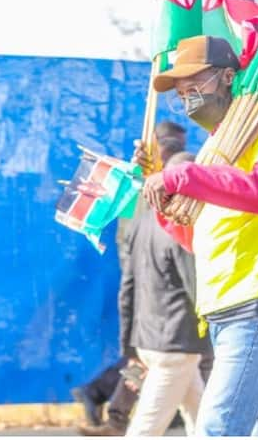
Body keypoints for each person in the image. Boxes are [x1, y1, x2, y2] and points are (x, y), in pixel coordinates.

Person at [136, 35, 258, 436]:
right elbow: (198, 239)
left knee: (216, 430)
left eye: (195, 86)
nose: (187, 99)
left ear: (229, 77)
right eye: (180, 93)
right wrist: (161, 198)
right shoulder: (215, 149)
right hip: (226, 306)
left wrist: (182, 175)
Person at [73, 121, 187, 434]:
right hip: (157, 285)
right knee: (154, 357)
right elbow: (135, 241)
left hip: (149, 283)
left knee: (160, 360)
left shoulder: (148, 185)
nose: (179, 155)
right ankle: (115, 410)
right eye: (174, 148)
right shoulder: (146, 188)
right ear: (160, 148)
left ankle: (114, 410)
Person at [110, 151, 211, 436]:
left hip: (150, 338)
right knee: (147, 426)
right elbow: (196, 287)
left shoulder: (142, 223)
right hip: (175, 344)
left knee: (199, 412)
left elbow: (127, 286)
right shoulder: (181, 227)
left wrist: (128, 344)